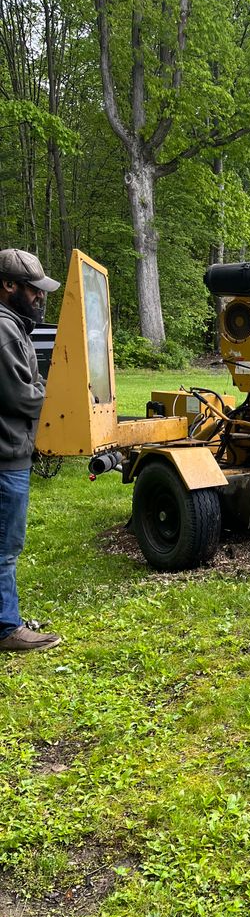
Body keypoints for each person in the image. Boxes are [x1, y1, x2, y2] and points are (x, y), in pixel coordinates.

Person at [0, 248, 62, 652]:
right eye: (33, 289)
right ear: (8, 286)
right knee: (5, 548)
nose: (41, 297)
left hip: (11, 451)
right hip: (6, 458)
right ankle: (6, 628)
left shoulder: (13, 326)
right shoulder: (4, 328)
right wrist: (57, 400)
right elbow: (23, 397)